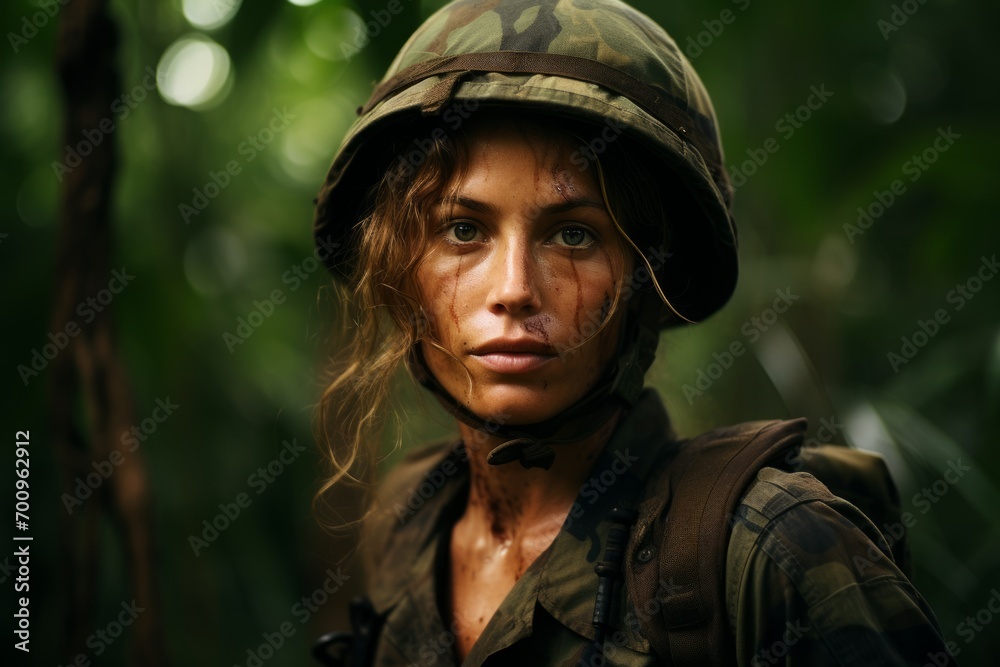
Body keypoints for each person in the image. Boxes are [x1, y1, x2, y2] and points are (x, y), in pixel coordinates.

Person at [311, 0, 956, 665]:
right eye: (463, 230)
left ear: (646, 277)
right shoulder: (407, 524)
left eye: (573, 234)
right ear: (399, 271)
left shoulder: (775, 550)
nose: (514, 290)